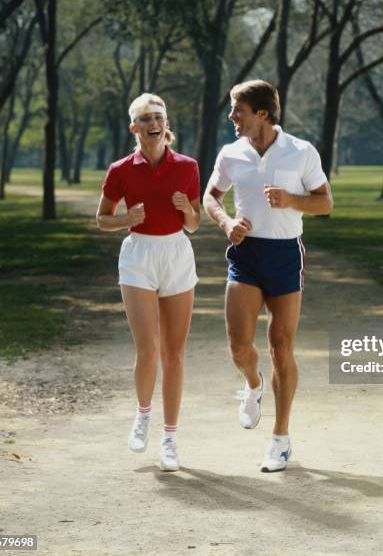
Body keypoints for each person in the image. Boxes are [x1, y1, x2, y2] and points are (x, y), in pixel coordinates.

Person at [203, 80, 333, 472]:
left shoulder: (300, 151)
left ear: (262, 113)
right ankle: (253, 385)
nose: (231, 118)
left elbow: (325, 203)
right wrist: (226, 222)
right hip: (246, 253)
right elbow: (210, 196)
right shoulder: (231, 153)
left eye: (237, 110)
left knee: (281, 345)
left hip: (284, 254)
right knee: (240, 347)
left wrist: (291, 199)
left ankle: (280, 439)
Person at [96, 93, 200, 472]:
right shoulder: (120, 169)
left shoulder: (187, 166)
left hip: (176, 255)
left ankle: (170, 439)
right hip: (138, 256)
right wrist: (127, 219)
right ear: (134, 127)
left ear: (166, 124)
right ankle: (143, 414)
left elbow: (194, 223)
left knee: (173, 354)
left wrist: (187, 209)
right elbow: (102, 218)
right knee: (147, 349)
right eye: (145, 118)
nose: (153, 123)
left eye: (158, 117)